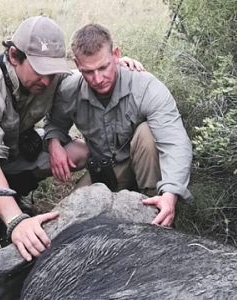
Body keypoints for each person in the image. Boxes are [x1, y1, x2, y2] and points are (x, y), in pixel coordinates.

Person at [0, 16, 143, 261]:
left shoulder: (52, 76)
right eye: (39, 70)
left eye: (51, 71)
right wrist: (17, 222)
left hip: (11, 144)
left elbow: (85, 77)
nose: (47, 81)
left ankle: (13, 192)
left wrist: (116, 66)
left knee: (80, 151)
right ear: (15, 56)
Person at [44, 23, 193, 227]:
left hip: (141, 163)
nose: (98, 79)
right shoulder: (69, 88)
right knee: (67, 221)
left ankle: (155, 206)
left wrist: (171, 193)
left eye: (104, 67)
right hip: (103, 169)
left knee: (147, 133)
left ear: (116, 54)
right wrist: (53, 143)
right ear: (78, 65)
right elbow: (55, 123)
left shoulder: (147, 87)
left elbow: (175, 142)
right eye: (88, 71)